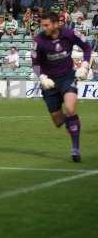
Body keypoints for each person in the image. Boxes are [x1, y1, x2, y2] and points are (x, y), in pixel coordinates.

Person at [32, 12, 92, 162]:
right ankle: (73, 123)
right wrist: (42, 77)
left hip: (67, 77)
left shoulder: (70, 33)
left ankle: (75, 149)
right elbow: (35, 63)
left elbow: (87, 47)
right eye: (42, 25)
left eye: (46, 25)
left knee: (70, 110)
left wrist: (85, 65)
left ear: (56, 24)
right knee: (58, 122)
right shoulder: (38, 40)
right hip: (49, 83)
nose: (43, 28)